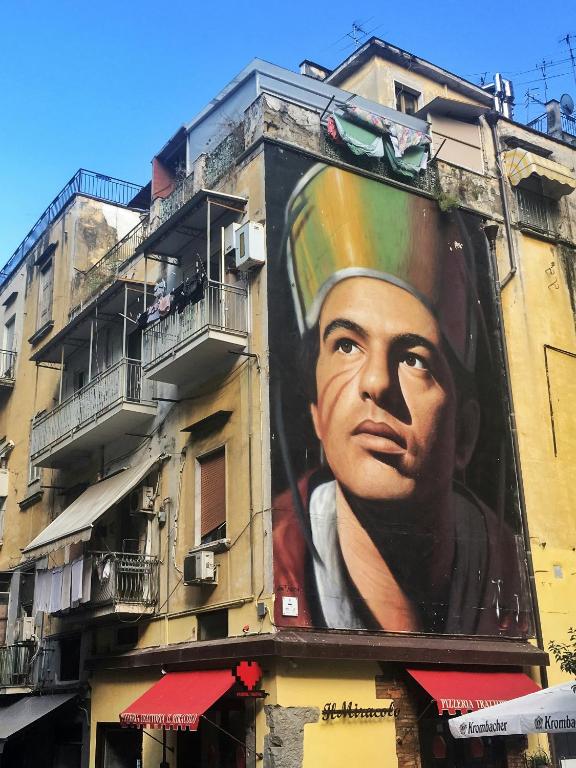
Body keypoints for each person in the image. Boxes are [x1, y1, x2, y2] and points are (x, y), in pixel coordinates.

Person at [273, 164, 529, 636]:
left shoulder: (514, 578)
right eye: (346, 345)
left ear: (465, 433)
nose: (377, 383)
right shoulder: (275, 554)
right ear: (316, 412)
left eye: (414, 358)